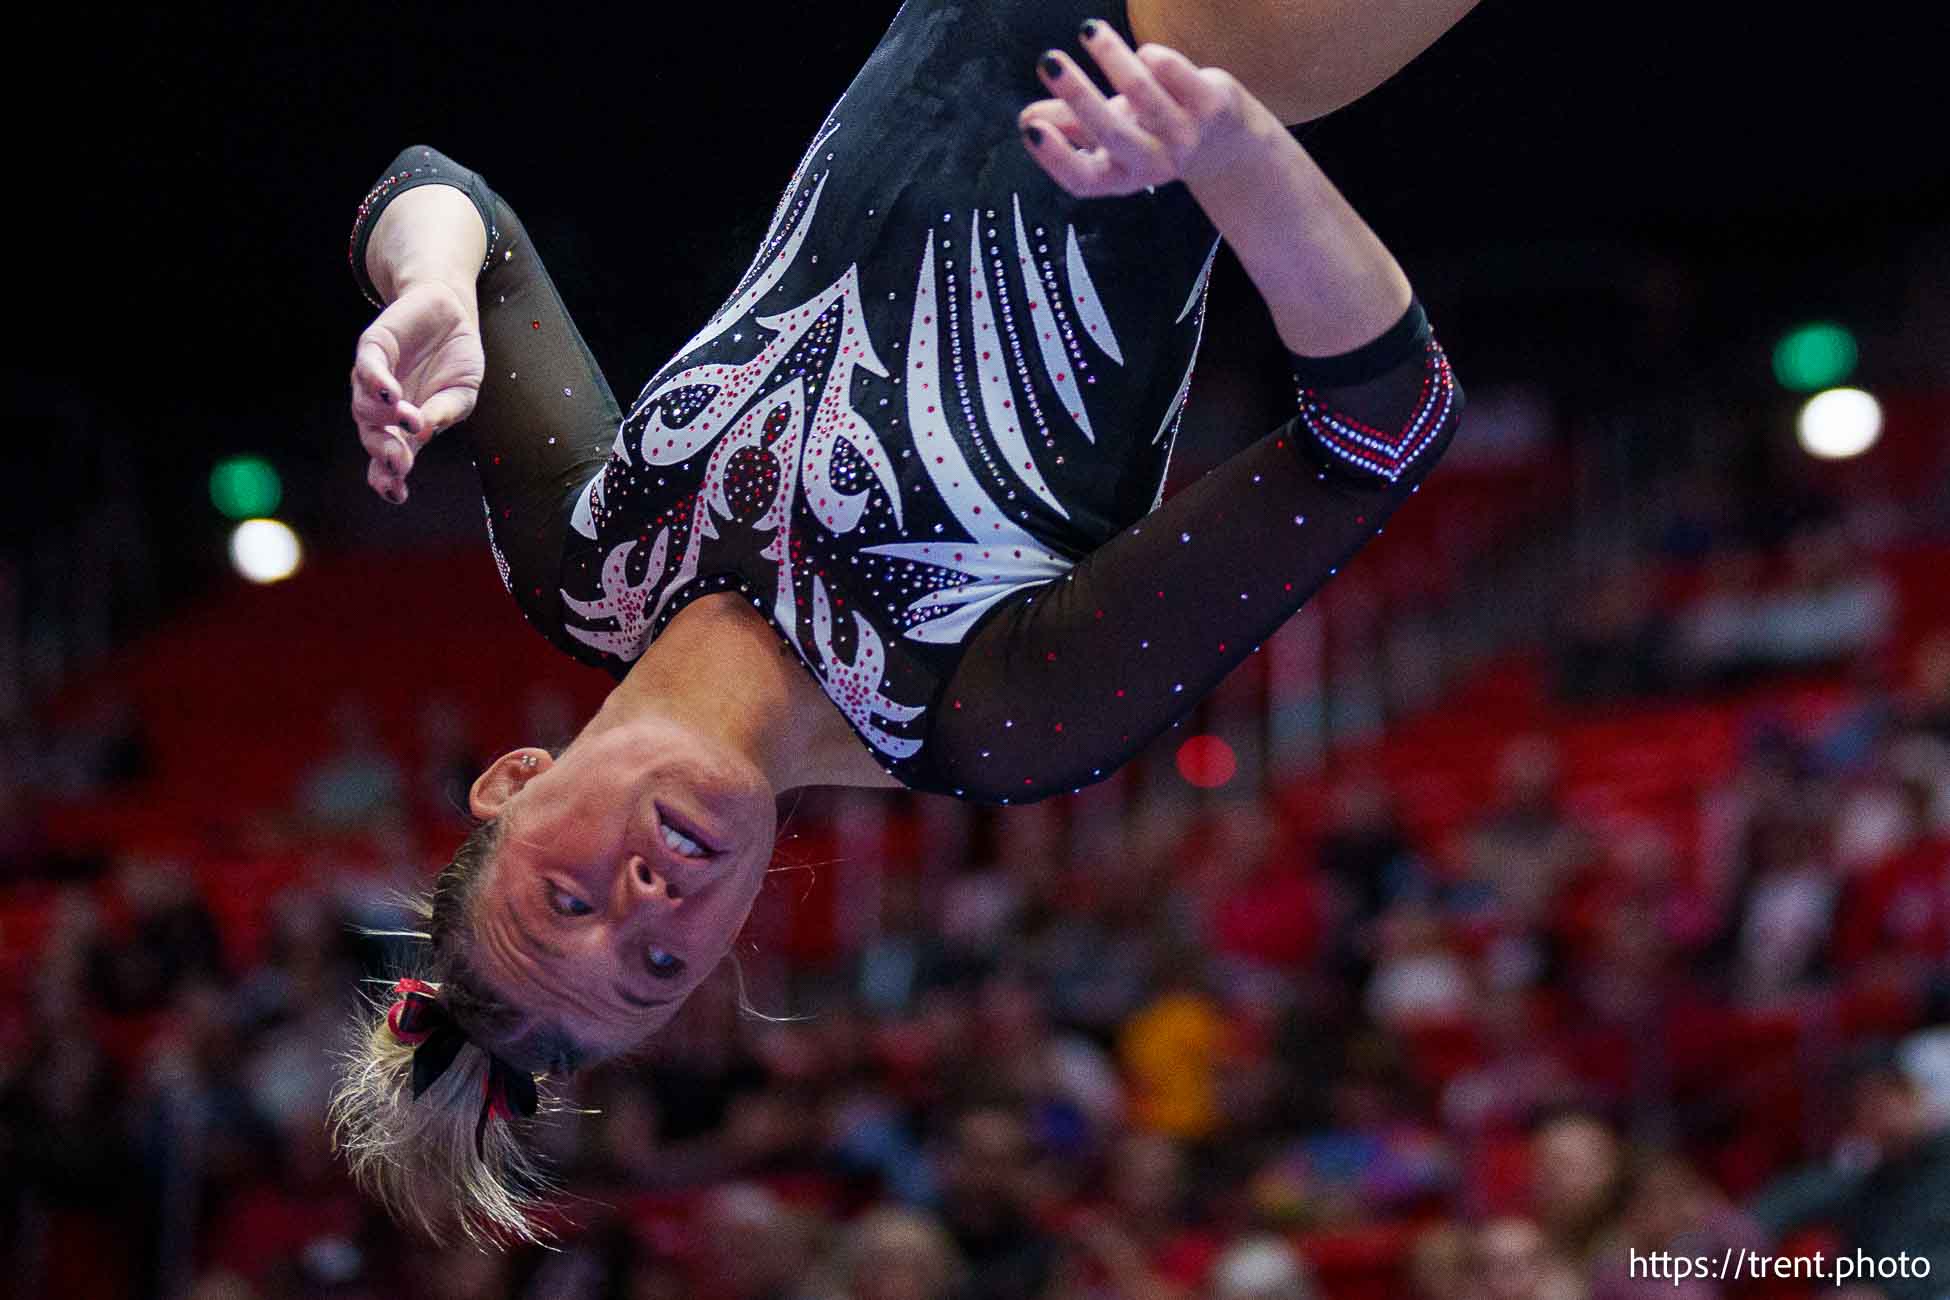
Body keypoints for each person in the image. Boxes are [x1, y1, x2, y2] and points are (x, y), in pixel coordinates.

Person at [330, 0, 1475, 1242]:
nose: (649, 898)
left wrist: (430, 278)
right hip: (1193, 26)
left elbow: (433, 194)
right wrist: (1230, 150)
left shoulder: (586, 562)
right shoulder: (991, 712)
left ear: (511, 783)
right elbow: (1383, 427)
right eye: (659, 965)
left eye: (567, 899)